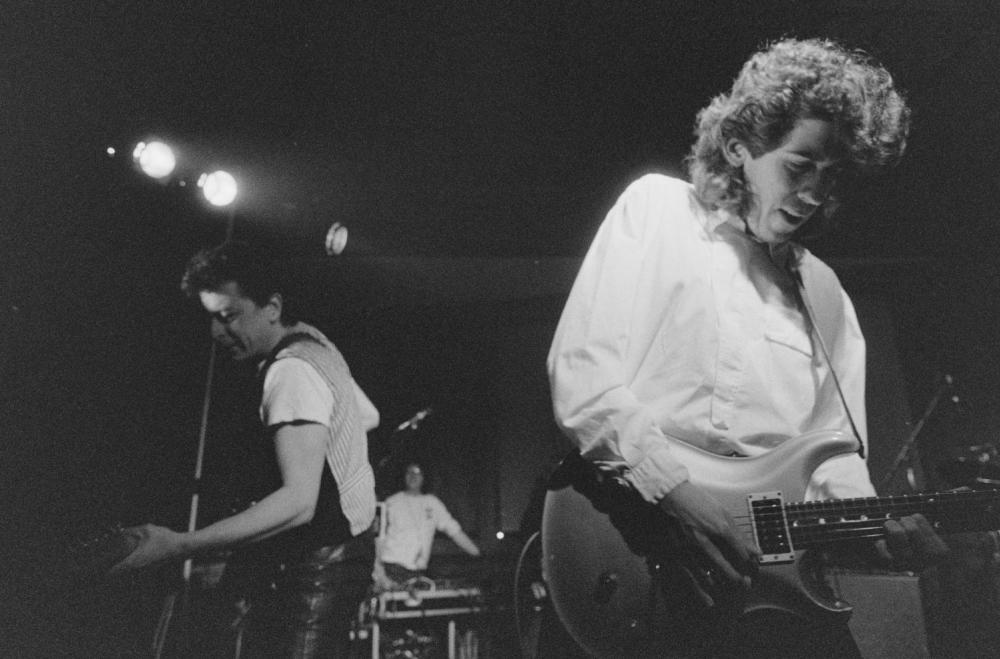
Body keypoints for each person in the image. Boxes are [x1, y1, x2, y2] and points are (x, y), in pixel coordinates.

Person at [546, 38, 947, 657]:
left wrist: (874, 531)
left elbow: (834, 461)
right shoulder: (656, 209)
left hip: (771, 587)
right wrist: (673, 492)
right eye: (798, 165)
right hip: (636, 540)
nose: (814, 193)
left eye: (833, 174)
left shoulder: (825, 292)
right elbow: (583, 376)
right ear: (740, 147)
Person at [113, 240, 379, 658]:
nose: (217, 332)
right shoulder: (314, 342)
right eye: (211, 319)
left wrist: (180, 544)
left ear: (271, 306)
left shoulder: (290, 371)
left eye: (229, 316)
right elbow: (366, 415)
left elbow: (298, 504)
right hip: (348, 554)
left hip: (318, 570)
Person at [375, 461, 481, 589]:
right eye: (409, 472)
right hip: (392, 568)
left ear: (424, 477)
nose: (413, 476)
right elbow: (379, 539)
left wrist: (478, 554)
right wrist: (380, 573)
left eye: (417, 473)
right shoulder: (392, 502)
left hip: (418, 571)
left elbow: (454, 531)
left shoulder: (432, 503)